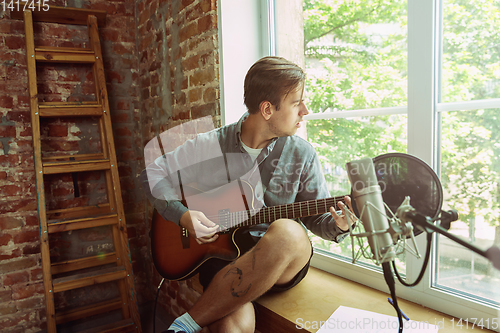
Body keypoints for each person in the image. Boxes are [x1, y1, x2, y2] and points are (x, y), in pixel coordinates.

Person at [141, 56, 354, 333]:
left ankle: (184, 325)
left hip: (280, 262)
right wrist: (182, 216)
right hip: (225, 262)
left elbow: (317, 220)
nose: (305, 110)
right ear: (267, 109)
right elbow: (151, 174)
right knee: (231, 328)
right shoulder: (211, 144)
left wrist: (340, 224)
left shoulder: (301, 154)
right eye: (296, 102)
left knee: (288, 232)